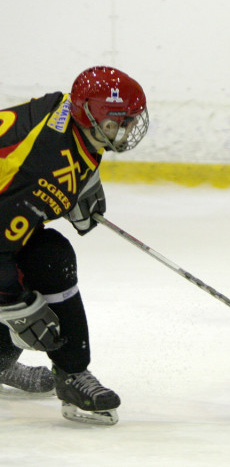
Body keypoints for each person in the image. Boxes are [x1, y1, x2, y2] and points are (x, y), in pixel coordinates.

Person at [0, 66, 149, 424]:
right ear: (91, 117)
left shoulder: (68, 117)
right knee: (43, 265)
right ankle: (64, 372)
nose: (126, 130)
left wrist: (83, 179)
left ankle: (44, 371)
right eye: (118, 123)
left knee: (45, 254)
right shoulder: (40, 166)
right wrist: (15, 305)